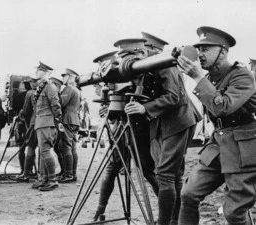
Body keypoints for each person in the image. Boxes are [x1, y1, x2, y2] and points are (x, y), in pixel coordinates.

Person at [177, 26, 256, 225]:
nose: (199, 54)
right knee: (188, 195)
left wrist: (197, 77)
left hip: (242, 149)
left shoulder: (242, 75)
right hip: (219, 145)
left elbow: (223, 108)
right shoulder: (211, 77)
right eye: (198, 49)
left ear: (223, 51)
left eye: (205, 49)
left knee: (234, 214)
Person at [122, 32, 201, 225]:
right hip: (165, 122)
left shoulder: (164, 64)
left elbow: (174, 97)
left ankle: (164, 222)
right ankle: (175, 219)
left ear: (148, 50)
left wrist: (144, 108)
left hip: (178, 122)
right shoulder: (149, 67)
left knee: (165, 174)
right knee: (173, 176)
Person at [92, 37, 165, 222]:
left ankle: (168, 214)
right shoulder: (119, 76)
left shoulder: (151, 72)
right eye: (122, 56)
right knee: (111, 169)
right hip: (122, 127)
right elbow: (115, 107)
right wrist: (109, 110)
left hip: (140, 128)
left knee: (148, 171)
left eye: (128, 56)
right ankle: (100, 211)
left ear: (140, 54)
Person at [31, 61, 62, 191]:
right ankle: (44, 179)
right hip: (41, 122)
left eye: (40, 70)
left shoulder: (49, 86)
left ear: (46, 73)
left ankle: (52, 180)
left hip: (47, 122)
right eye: (37, 70)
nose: (37, 72)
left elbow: (55, 105)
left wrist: (57, 119)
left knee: (45, 151)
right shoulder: (41, 86)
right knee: (42, 151)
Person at [57, 68, 81, 183]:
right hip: (74, 120)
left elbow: (61, 103)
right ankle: (71, 173)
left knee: (66, 147)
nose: (63, 78)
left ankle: (68, 174)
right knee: (72, 147)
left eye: (65, 76)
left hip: (67, 119)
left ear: (71, 77)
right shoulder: (77, 90)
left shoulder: (69, 89)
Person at [16, 75, 38, 182]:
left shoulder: (29, 93)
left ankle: (25, 173)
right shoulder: (44, 91)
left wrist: (22, 115)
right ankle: (40, 173)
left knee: (30, 146)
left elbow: (25, 111)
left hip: (31, 124)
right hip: (44, 123)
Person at [48, 74, 64, 180]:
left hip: (56, 124)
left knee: (58, 148)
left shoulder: (57, 95)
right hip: (56, 124)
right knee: (57, 148)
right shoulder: (58, 94)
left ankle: (63, 171)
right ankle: (63, 171)